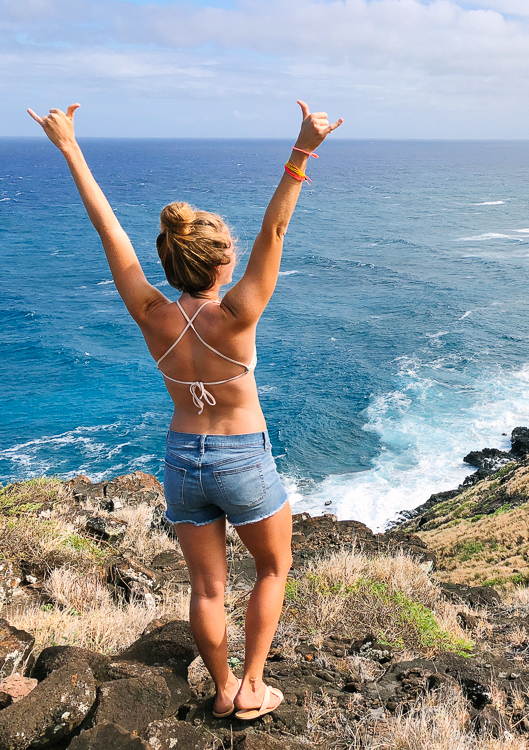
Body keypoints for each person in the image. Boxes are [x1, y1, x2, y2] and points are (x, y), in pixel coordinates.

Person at [27, 101, 342, 720]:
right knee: (274, 567)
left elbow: (110, 234)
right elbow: (274, 233)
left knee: (207, 587)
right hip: (241, 455)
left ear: (170, 263)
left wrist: (70, 148)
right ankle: (252, 686)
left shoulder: (150, 314)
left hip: (181, 459)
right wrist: (305, 147)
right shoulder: (237, 316)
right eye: (229, 250)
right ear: (224, 263)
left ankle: (221, 688)